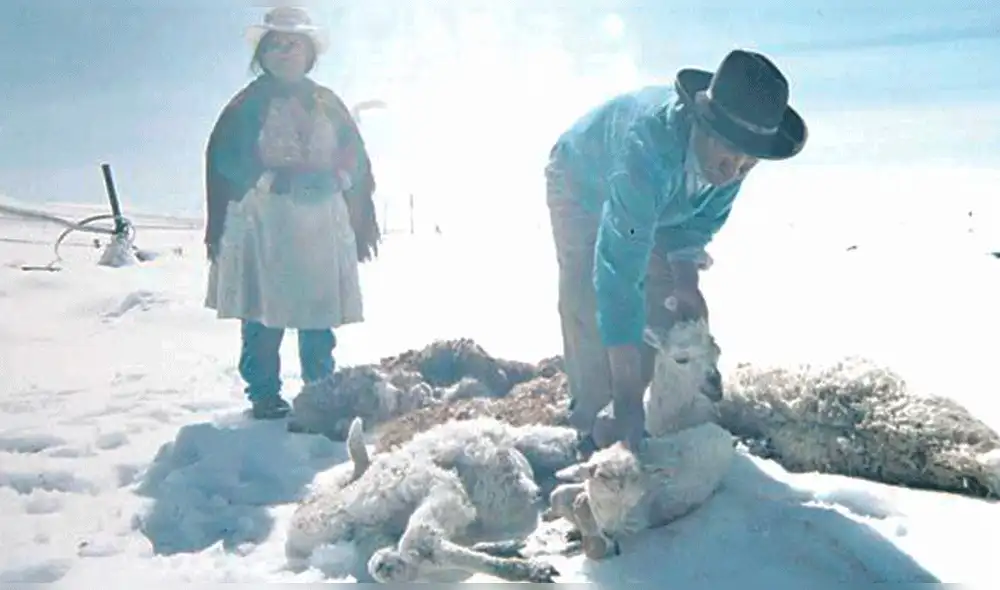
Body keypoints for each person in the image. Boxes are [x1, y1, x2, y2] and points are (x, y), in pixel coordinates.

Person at [544, 49, 807, 450]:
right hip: (582, 181)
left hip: (656, 203)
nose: (734, 172)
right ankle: (595, 420)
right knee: (588, 289)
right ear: (704, 125)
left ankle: (655, 407)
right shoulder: (647, 150)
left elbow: (695, 224)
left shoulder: (731, 161)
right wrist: (626, 401)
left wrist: (685, 283)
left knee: (664, 299)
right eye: (730, 155)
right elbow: (617, 275)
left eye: (748, 164)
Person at [203, 7, 380, 420]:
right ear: (263, 53)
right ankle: (264, 393)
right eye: (276, 44)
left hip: (320, 224)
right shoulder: (246, 106)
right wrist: (270, 180)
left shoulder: (328, 103)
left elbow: (356, 156)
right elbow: (226, 157)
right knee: (265, 309)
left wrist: (338, 177)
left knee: (318, 313)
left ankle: (320, 391)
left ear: (309, 52)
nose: (285, 52)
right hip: (267, 223)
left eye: (293, 44)